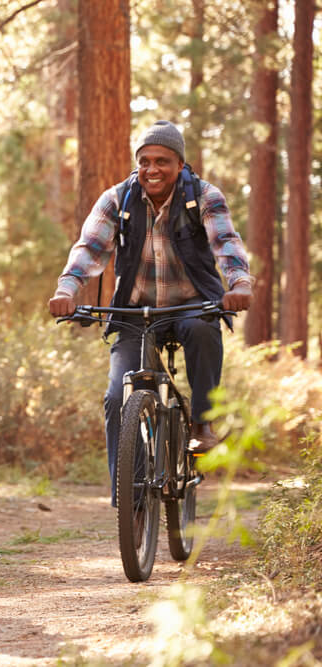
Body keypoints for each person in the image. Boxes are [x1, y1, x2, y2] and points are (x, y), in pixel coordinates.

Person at [48, 120, 253, 504]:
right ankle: (130, 498)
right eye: (145, 161)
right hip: (134, 312)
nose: (152, 169)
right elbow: (89, 249)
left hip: (191, 305)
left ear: (179, 164)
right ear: (137, 163)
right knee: (116, 397)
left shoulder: (203, 197)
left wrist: (239, 284)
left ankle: (201, 423)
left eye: (162, 161)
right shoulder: (118, 199)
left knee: (203, 330)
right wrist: (66, 289)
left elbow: (226, 243)